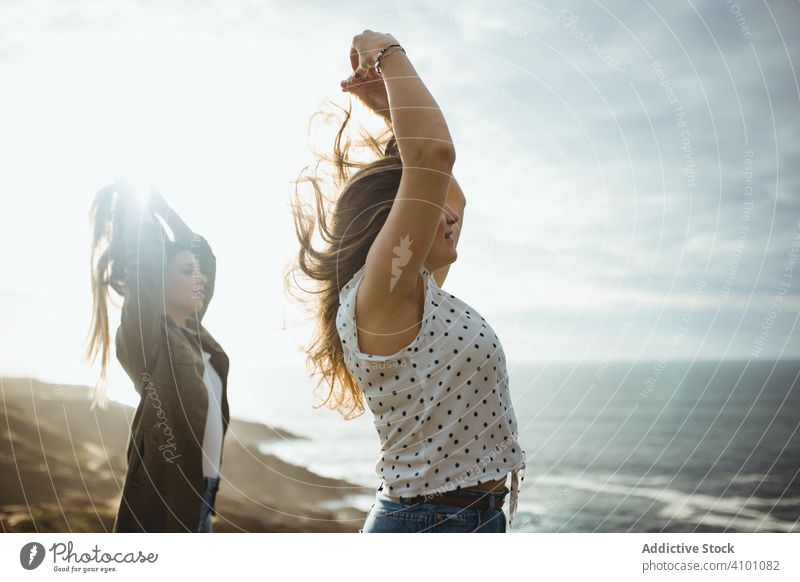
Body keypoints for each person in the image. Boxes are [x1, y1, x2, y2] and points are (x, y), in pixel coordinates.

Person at [289, 30, 526, 532]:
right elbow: (433, 156)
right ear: (394, 225)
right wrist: (387, 51)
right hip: (431, 524)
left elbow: (442, 180)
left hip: (461, 521)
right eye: (426, 204)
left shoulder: (413, 291)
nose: (450, 213)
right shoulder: (383, 293)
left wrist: (390, 113)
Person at [85, 180, 229, 532]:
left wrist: (161, 207)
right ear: (159, 281)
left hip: (201, 502)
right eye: (186, 271)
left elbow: (205, 256)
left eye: (198, 273)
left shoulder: (193, 333)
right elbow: (146, 270)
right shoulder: (145, 339)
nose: (200, 278)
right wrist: (137, 209)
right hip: (162, 508)